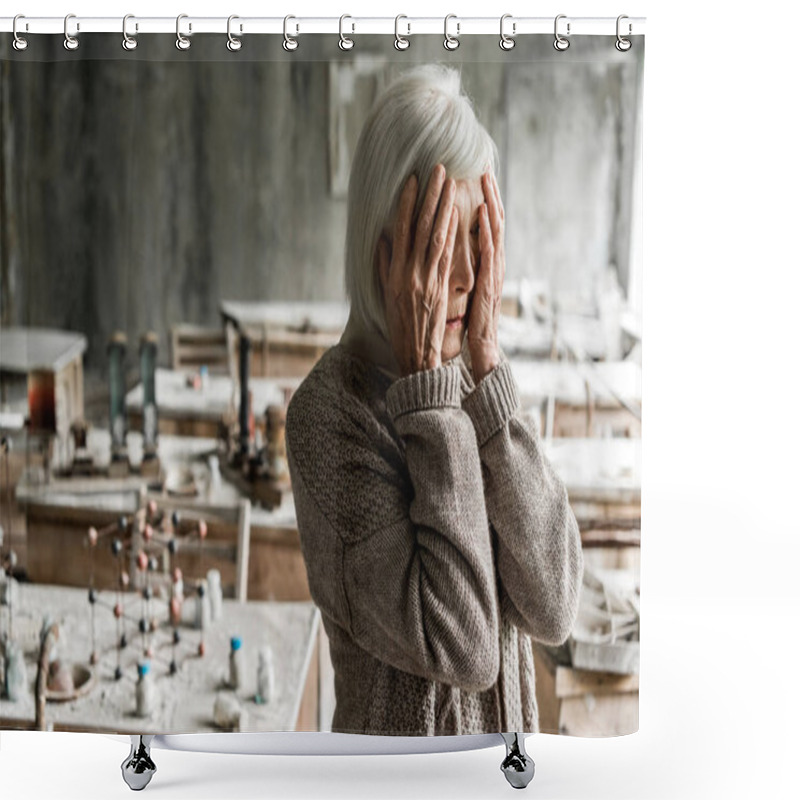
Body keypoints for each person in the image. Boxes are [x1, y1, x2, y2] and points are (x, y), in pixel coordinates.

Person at [286, 64, 583, 736]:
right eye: (444, 239)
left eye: (479, 237)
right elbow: (467, 647)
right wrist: (428, 394)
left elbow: (556, 604)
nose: (469, 275)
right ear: (382, 250)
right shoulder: (328, 418)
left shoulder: (479, 387)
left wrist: (488, 375)